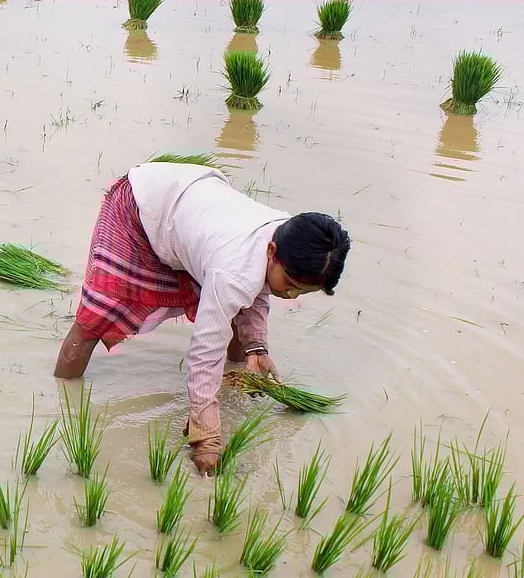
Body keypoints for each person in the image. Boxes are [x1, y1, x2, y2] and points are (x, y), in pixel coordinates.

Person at [54, 161, 350, 475]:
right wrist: (206, 436)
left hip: (193, 210)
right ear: (272, 251)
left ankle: (237, 379)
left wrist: (256, 349)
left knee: (236, 309)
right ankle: (62, 395)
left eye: (303, 292)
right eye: (290, 285)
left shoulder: (289, 235)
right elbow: (204, 355)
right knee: (98, 315)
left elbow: (255, 294)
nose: (291, 296)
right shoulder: (234, 270)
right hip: (141, 208)